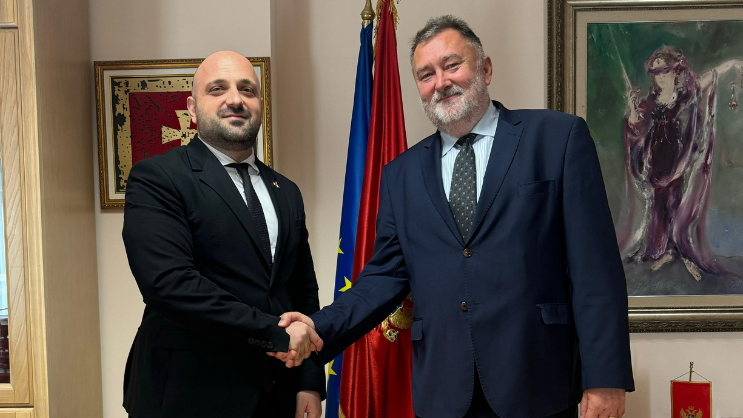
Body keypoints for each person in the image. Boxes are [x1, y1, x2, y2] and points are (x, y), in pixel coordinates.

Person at [273, 16, 634, 418]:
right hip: (444, 391)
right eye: (425, 74)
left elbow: (596, 268)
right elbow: (382, 279)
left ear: (486, 69)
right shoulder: (400, 175)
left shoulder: (557, 138)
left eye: (452, 65)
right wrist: (317, 327)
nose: (440, 82)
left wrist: (606, 377)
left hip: (538, 381)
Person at [122, 51, 325, 418]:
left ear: (259, 104)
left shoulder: (286, 191)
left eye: (247, 90)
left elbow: (302, 293)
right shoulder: (158, 178)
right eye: (217, 89)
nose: (235, 99)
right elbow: (169, 285)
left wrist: (309, 381)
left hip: (277, 395)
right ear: (192, 108)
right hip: (188, 395)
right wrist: (275, 333)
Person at [618, 46, 742, 281]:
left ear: (675, 72)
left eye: (664, 71)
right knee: (659, 205)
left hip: (679, 159)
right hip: (654, 160)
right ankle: (664, 251)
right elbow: (636, 127)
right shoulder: (650, 102)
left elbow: (711, 75)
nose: (660, 77)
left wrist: (734, 63)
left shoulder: (686, 96)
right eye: (655, 73)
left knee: (677, 204)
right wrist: (632, 109)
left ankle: (682, 253)